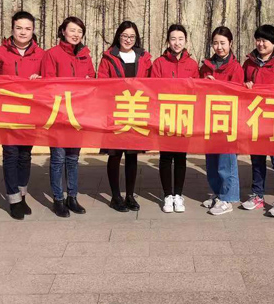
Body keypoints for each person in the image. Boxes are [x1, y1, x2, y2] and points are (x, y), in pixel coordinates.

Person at [0, 11, 45, 220]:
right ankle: (13, 199)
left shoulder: (41, 54)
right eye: (19, 28)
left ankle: (22, 195)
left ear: (33, 31)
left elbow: (49, 81)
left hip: (30, 113)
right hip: (7, 113)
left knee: (25, 155)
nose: (23, 32)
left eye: (28, 28)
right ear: (12, 29)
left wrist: (41, 78)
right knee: (11, 154)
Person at [41, 16, 95, 218]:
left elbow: (92, 79)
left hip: (77, 115)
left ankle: (72, 197)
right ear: (63, 31)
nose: (76, 34)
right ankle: (58, 199)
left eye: (79, 31)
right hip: (58, 115)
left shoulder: (85, 55)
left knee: (73, 158)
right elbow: (47, 83)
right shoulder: (52, 54)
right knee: (58, 159)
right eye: (72, 30)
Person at [241, 24, 274, 218]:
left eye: (265, 40)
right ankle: (257, 194)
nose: (261, 44)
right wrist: (245, 86)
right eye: (258, 39)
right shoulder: (249, 64)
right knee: (257, 160)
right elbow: (240, 87)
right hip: (256, 120)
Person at [98, 21, 153, 212]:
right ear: (118, 36)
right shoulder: (109, 57)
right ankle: (115, 196)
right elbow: (101, 83)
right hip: (115, 112)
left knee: (131, 156)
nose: (128, 40)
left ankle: (130, 195)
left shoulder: (144, 57)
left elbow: (152, 83)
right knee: (115, 155)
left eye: (132, 36)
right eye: (124, 36)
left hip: (136, 111)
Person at [151, 24, 198, 213]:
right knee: (165, 157)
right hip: (165, 115)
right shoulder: (159, 63)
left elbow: (197, 90)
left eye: (180, 39)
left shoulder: (192, 64)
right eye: (173, 39)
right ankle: (167, 195)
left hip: (184, 116)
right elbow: (153, 90)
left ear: (185, 41)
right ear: (167, 41)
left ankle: (178, 194)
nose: (177, 43)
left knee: (180, 157)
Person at [199, 27, 243, 216]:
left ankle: (228, 198)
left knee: (227, 160)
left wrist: (217, 85)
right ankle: (217, 193)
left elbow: (238, 92)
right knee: (212, 160)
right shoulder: (206, 66)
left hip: (228, 119)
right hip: (209, 118)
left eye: (223, 43)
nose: (219, 47)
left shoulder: (236, 67)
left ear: (230, 44)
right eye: (215, 43)